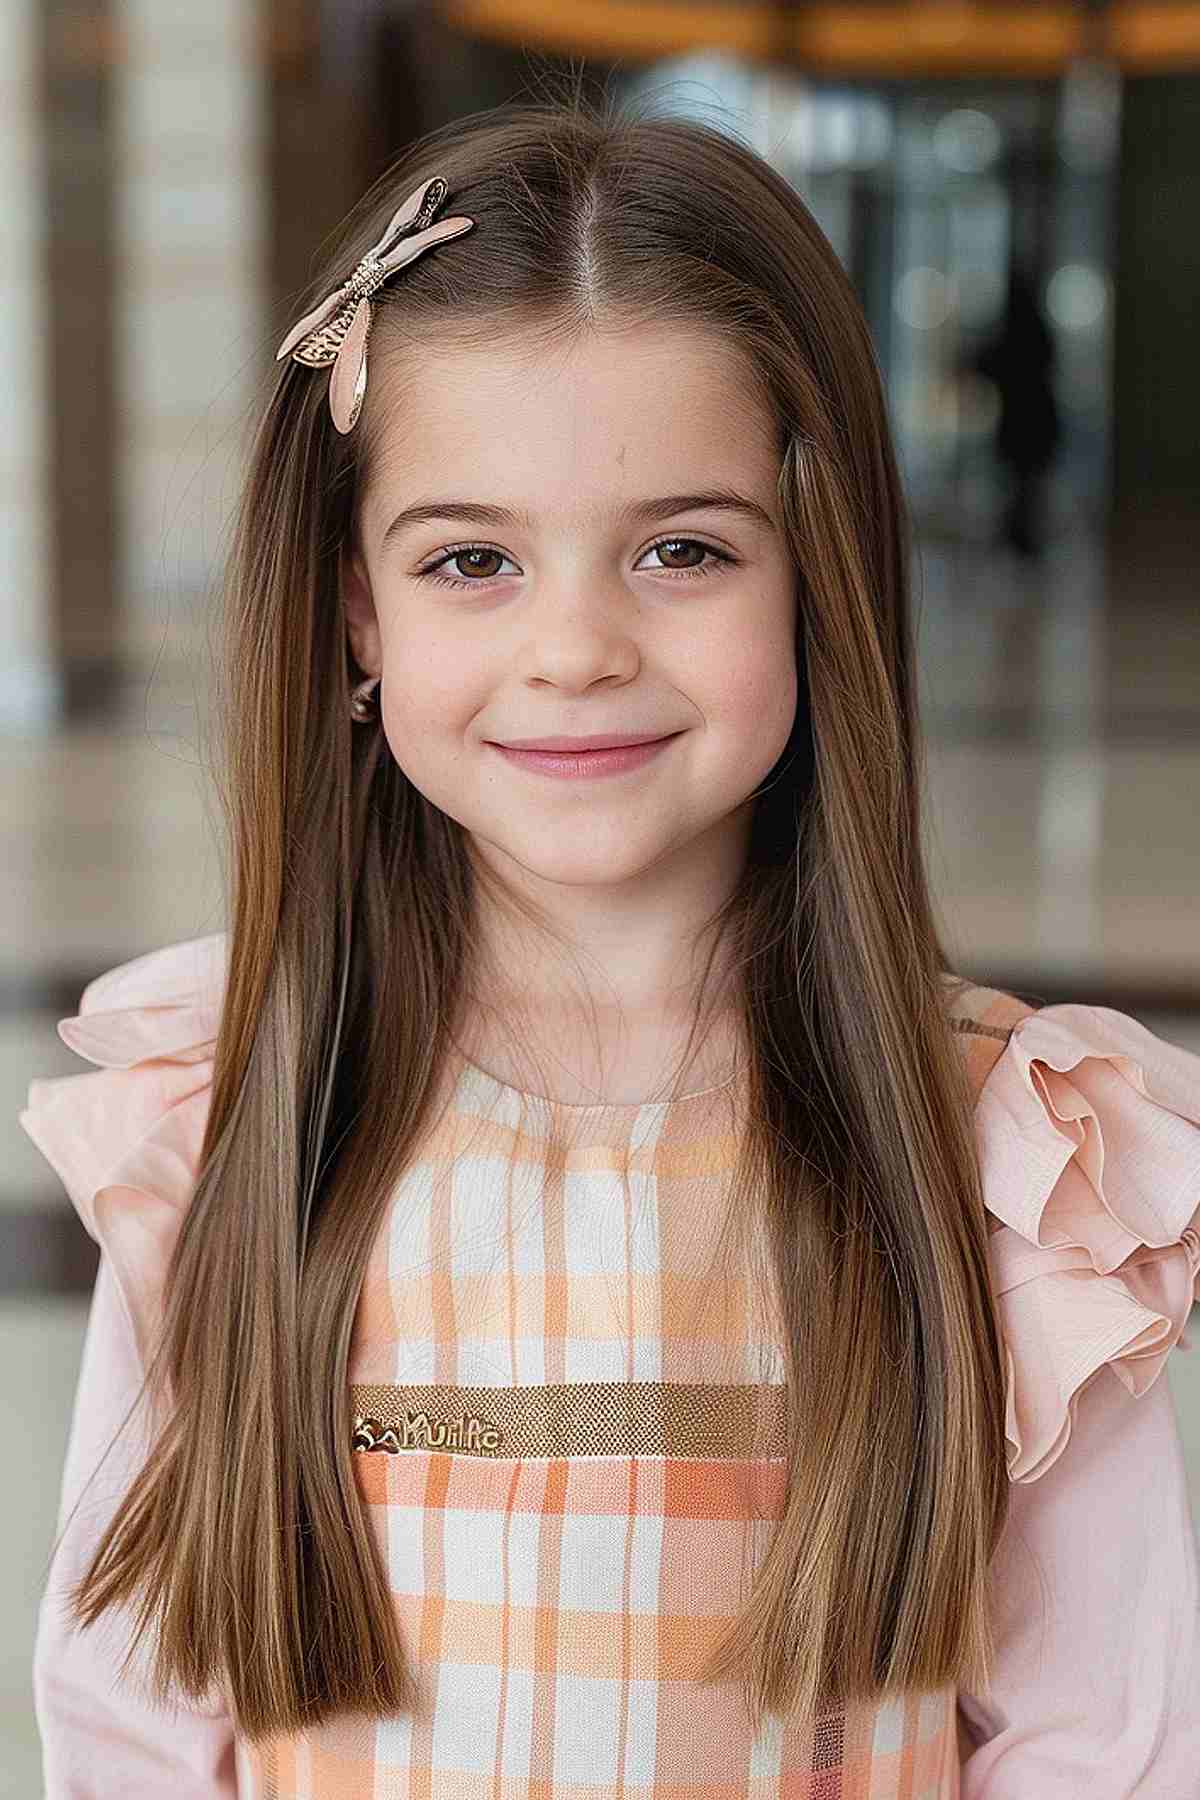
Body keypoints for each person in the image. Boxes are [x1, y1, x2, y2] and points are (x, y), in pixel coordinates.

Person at [19, 92, 1200, 1798]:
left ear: (823, 576)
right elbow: (130, 1720)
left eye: (681, 549)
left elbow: (1112, 1747)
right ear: (360, 607)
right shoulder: (238, 1116)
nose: (575, 647)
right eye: (473, 559)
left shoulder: (1000, 1164)